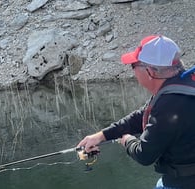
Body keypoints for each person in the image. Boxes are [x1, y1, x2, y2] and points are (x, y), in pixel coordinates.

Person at [77, 35, 195, 189]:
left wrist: (127, 140)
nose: (133, 72)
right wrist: (102, 136)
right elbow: (142, 115)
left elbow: (144, 155)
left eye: (133, 66)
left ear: (149, 71)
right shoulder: (182, 84)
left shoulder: (170, 104)